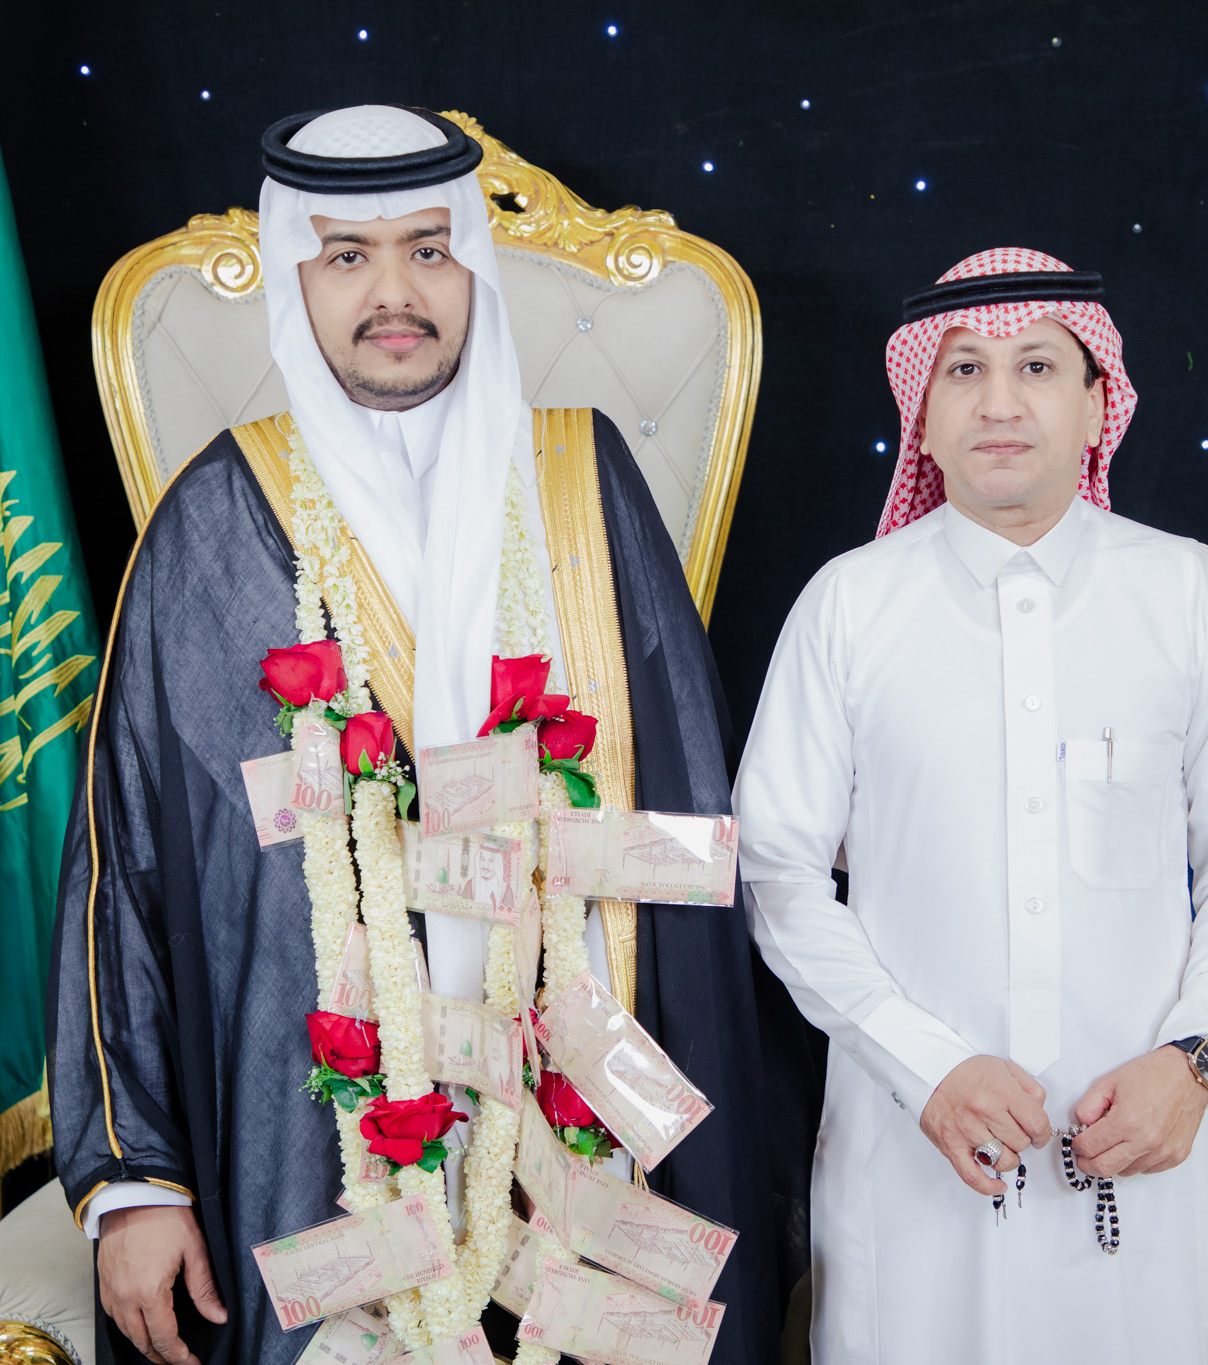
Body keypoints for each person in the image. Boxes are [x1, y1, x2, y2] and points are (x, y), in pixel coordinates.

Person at [49, 105, 798, 1365]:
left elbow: (684, 830)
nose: (393, 293)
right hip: (316, 1140)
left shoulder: (581, 478)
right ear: (296, 277)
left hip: (583, 1138)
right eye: (347, 255)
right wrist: (135, 1178)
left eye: (428, 250)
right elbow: (124, 873)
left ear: (473, 270)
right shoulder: (213, 521)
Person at [733, 248, 1208, 1363]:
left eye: (1037, 366)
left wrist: (1196, 1056)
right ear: (922, 414)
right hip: (915, 1157)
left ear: (1097, 403)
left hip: (1149, 1149)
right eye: (963, 371)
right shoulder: (848, 607)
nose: (998, 403)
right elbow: (776, 877)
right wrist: (925, 1067)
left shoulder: (1185, 591)